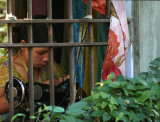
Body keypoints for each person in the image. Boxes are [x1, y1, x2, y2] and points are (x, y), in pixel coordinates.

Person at [0, 23, 70, 121]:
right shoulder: (4, 69)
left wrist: (66, 87)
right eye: (40, 53)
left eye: (51, 51)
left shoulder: (52, 68)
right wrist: (37, 89)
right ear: (23, 45)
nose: (47, 58)